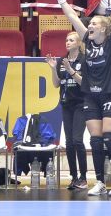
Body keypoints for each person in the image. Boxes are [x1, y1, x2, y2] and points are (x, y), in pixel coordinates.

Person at [55, 0, 111, 197]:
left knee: (109, 137)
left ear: (103, 29)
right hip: (91, 96)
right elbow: (72, 16)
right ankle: (99, 181)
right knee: (95, 139)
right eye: (91, 23)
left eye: (95, 23)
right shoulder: (87, 39)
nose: (91, 25)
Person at [46, 31, 88, 189]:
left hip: (81, 103)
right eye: (66, 40)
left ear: (78, 43)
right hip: (66, 103)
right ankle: (74, 177)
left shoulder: (84, 60)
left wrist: (71, 70)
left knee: (78, 140)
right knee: (69, 142)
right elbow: (57, 84)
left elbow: (84, 83)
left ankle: (83, 177)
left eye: (71, 40)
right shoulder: (62, 61)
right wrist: (53, 68)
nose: (67, 42)